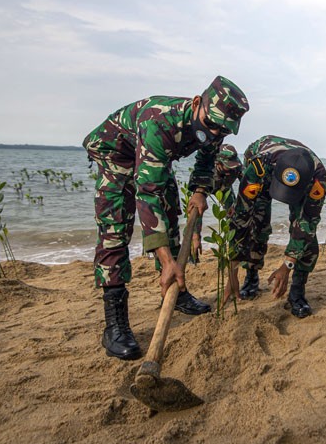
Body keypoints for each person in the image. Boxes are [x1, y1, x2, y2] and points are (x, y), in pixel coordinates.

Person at [83, 76, 249, 360]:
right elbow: (147, 194)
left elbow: (206, 162)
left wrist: (199, 192)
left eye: (221, 130)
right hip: (116, 154)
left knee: (170, 211)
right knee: (115, 229)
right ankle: (114, 326)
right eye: (210, 125)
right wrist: (165, 260)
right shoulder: (158, 122)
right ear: (197, 103)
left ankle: (177, 294)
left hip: (155, 157)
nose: (212, 133)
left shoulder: (214, 125)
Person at [231, 136, 326, 319]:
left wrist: (287, 265)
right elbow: (241, 216)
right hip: (265, 173)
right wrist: (232, 269)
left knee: (307, 237)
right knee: (256, 223)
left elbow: (307, 224)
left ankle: (297, 291)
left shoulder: (318, 177)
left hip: (304, 182)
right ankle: (250, 277)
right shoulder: (259, 166)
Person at [190, 143, 243, 259]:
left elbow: (246, 186)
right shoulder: (208, 169)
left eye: (232, 166)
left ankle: (233, 252)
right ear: (218, 163)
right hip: (206, 187)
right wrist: (196, 235)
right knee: (194, 216)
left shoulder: (237, 166)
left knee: (233, 220)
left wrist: (237, 203)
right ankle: (192, 255)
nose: (231, 169)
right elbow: (198, 208)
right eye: (227, 166)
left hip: (225, 190)